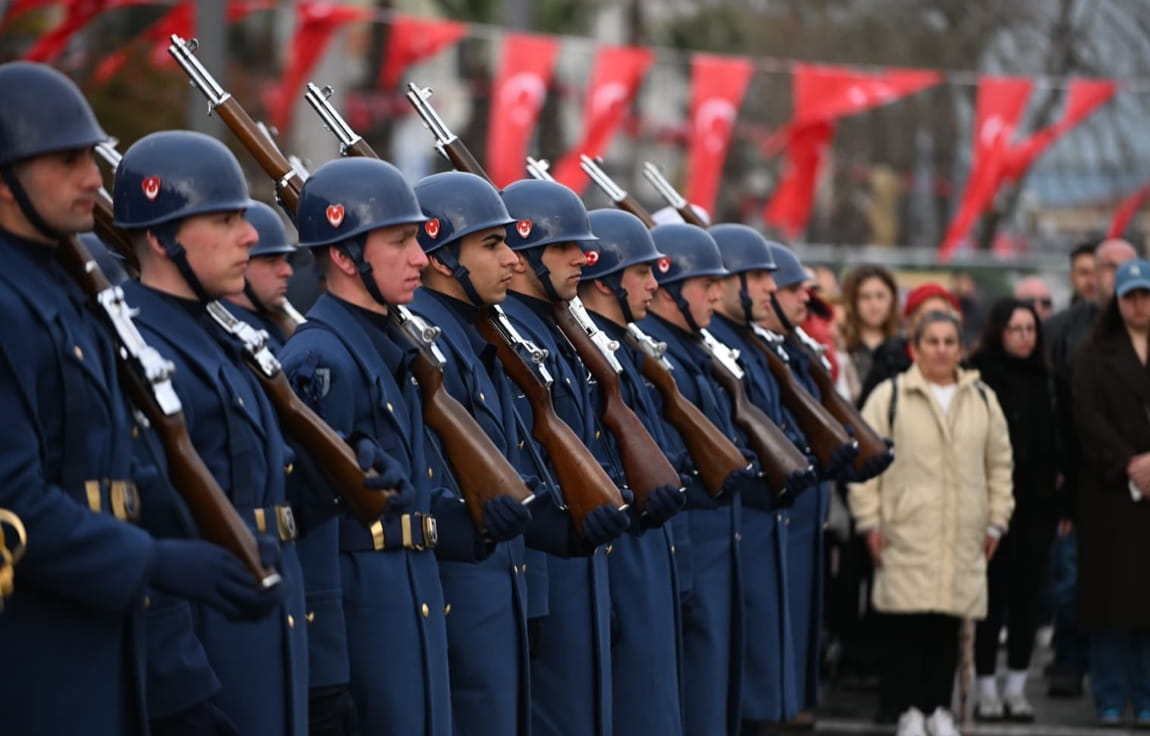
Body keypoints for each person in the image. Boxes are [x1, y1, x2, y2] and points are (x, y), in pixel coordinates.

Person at [0, 62, 279, 736]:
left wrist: (217, 541)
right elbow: (12, 501)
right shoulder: (10, 302)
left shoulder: (66, 288)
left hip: (100, 646)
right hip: (37, 659)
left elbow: (117, 467)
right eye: (66, 160)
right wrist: (153, 560)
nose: (93, 179)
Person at [114, 129, 312, 734]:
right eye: (225, 221)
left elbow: (258, 488)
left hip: (262, 639)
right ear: (161, 237)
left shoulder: (225, 334)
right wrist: (178, 684)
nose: (251, 236)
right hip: (207, 653)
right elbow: (143, 520)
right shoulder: (131, 342)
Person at [279, 156, 470, 736]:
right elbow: (311, 528)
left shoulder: (385, 345)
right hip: (364, 636)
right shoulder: (320, 360)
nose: (421, 258)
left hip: (407, 613)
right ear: (344, 255)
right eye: (401, 241)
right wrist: (326, 668)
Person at [408, 171, 557, 735]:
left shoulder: (474, 336)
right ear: (443, 258)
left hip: (498, 591)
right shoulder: (430, 342)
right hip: (458, 598)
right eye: (492, 245)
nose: (513, 261)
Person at [500, 179, 631, 736]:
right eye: (565, 248)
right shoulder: (514, 330)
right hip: (548, 568)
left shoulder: (554, 328)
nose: (585, 257)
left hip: (581, 568)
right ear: (527, 253)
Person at [850, 311, 1014, 736]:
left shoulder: (982, 398)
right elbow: (865, 464)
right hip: (906, 528)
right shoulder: (890, 397)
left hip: (962, 529)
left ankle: (939, 708)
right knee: (907, 623)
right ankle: (908, 709)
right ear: (915, 347)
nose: (941, 350)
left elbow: (999, 464)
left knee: (948, 621)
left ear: (961, 349)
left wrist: (996, 522)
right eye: (932, 341)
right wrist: (869, 522)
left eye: (949, 342)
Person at [639, 221, 762, 736]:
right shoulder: (662, 355)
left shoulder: (691, 349)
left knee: (714, 696)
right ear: (669, 287)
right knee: (696, 701)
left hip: (712, 548)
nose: (719, 291)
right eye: (705, 282)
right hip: (689, 548)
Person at [577, 208, 689, 736]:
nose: (654, 283)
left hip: (648, 558)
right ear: (604, 279)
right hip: (621, 560)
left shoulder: (621, 349)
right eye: (641, 272)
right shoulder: (591, 352)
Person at [704, 225, 819, 731]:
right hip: (736, 527)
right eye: (756, 277)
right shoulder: (717, 345)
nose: (770, 289)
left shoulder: (746, 343)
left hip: (760, 524)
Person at [1045, 237, 1137, 698]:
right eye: (1104, 267)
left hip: (1139, 479)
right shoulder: (1064, 331)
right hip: (1085, 476)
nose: (1113, 276)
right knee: (1076, 579)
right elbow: (1064, 409)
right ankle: (1072, 661)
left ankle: (1133, 686)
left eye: (1125, 266)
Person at [968, 298, 1059, 722]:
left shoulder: (1048, 378)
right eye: (1016, 329)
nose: (1025, 337)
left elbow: (1062, 440)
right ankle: (985, 687)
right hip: (991, 504)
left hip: (1038, 507)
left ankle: (1017, 687)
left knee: (1027, 600)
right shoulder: (980, 376)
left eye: (1030, 329)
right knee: (991, 600)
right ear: (999, 332)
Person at [1073, 258, 1150, 728]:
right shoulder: (1093, 353)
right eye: (1131, 296)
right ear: (1117, 301)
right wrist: (1129, 462)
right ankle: (1109, 693)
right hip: (1110, 493)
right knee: (1109, 601)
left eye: (1146, 295)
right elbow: (1086, 416)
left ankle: (1146, 695)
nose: (1139, 305)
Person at [859, 282, 961, 406]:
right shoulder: (887, 366)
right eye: (925, 316)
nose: (935, 324)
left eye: (942, 316)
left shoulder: (974, 387)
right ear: (909, 323)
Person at [223, 200, 297, 350]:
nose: (287, 271)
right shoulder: (230, 338)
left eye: (284, 260)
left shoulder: (270, 323)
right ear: (239, 263)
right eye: (271, 261)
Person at [840, 265, 901, 406]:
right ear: (853, 301)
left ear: (892, 299)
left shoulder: (903, 347)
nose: (874, 304)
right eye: (865, 297)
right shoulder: (841, 346)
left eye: (880, 296)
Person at [1069, 240, 1099, 305]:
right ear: (1072, 278)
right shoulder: (1062, 314)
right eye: (1084, 273)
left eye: (1097, 273)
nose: (1091, 281)